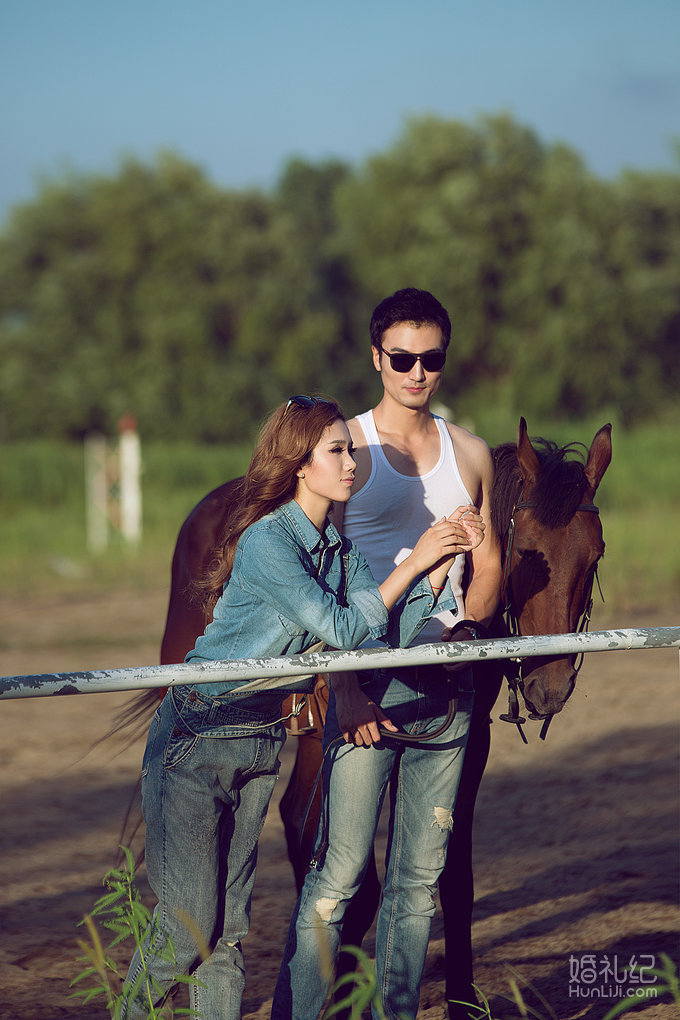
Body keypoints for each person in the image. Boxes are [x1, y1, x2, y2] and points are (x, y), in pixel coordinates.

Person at [120, 394, 484, 1020]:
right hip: (197, 737)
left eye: (349, 448)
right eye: (337, 452)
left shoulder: (337, 551)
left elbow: (380, 619)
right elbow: (343, 629)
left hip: (259, 740)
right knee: (188, 929)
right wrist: (417, 556)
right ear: (298, 465)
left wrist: (439, 564)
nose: (351, 464)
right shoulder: (269, 544)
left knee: (229, 936)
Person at [273, 289, 502, 1020]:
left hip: (443, 695)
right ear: (377, 357)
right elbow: (316, 572)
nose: (416, 372)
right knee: (337, 876)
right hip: (363, 687)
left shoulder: (470, 452)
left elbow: (490, 564)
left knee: (415, 886)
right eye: (401, 358)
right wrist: (340, 688)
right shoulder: (349, 450)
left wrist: (468, 626)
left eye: (430, 358)